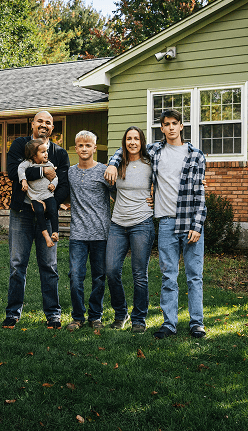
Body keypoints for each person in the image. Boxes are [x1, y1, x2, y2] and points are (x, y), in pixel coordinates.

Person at [105, 109, 207, 339]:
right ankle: (169, 323)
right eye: (166, 124)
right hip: (166, 222)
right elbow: (126, 150)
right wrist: (112, 163)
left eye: (175, 123)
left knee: (194, 276)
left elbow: (200, 193)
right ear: (161, 128)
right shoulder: (154, 151)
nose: (171, 127)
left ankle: (196, 323)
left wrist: (197, 225)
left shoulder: (196, 155)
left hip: (189, 222)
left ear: (181, 126)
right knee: (169, 275)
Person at [3, 111, 70, 330]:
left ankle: (53, 314)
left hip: (47, 214)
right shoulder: (20, 145)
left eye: (48, 122)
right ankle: (13, 313)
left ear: (53, 128)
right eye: (40, 121)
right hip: (21, 213)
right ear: (32, 124)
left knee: (49, 265)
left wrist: (48, 202)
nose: (44, 125)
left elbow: (64, 184)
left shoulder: (59, 153)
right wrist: (44, 170)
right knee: (17, 265)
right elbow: (14, 172)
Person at [105, 126, 154, 333]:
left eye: (136, 139)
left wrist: (156, 200)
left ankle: (139, 319)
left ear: (142, 141)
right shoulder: (118, 164)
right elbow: (111, 188)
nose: (132, 142)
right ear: (124, 142)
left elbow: (166, 184)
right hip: (117, 224)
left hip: (142, 223)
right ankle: (120, 313)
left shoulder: (150, 163)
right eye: (128, 139)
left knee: (139, 274)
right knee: (111, 270)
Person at [65, 131, 113, 331]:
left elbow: (121, 193)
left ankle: (95, 316)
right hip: (77, 235)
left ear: (95, 148)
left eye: (88, 145)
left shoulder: (104, 171)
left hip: (101, 234)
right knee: (75, 276)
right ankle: (77, 317)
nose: (84, 149)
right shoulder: (70, 172)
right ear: (75, 149)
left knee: (99, 277)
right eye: (80, 145)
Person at [18, 139, 59, 248]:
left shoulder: (49, 164)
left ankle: (55, 232)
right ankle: (46, 237)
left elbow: (55, 177)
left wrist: (54, 184)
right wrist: (24, 180)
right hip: (35, 196)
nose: (46, 154)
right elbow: (20, 169)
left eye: (46, 151)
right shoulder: (28, 164)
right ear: (33, 155)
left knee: (53, 210)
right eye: (43, 152)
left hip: (48, 194)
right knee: (39, 211)